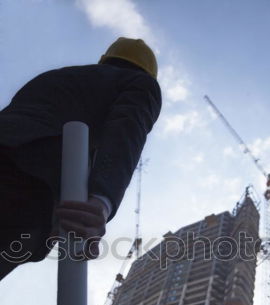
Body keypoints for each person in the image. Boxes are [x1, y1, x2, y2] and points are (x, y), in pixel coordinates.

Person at [0, 37, 161, 281]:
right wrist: (100, 203)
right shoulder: (141, 84)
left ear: (105, 60)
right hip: (27, 181)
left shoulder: (56, 78)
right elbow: (126, 133)